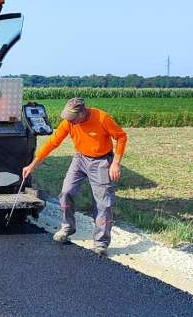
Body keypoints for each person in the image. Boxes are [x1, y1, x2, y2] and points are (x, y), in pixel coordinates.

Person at [22, 97, 127, 257]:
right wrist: (32, 165)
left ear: (82, 113)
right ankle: (67, 226)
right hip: (80, 158)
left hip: (101, 161)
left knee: (103, 203)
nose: (70, 122)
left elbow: (121, 137)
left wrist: (116, 163)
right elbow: (52, 143)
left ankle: (101, 243)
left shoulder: (101, 118)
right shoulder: (69, 122)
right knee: (66, 192)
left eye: (73, 119)